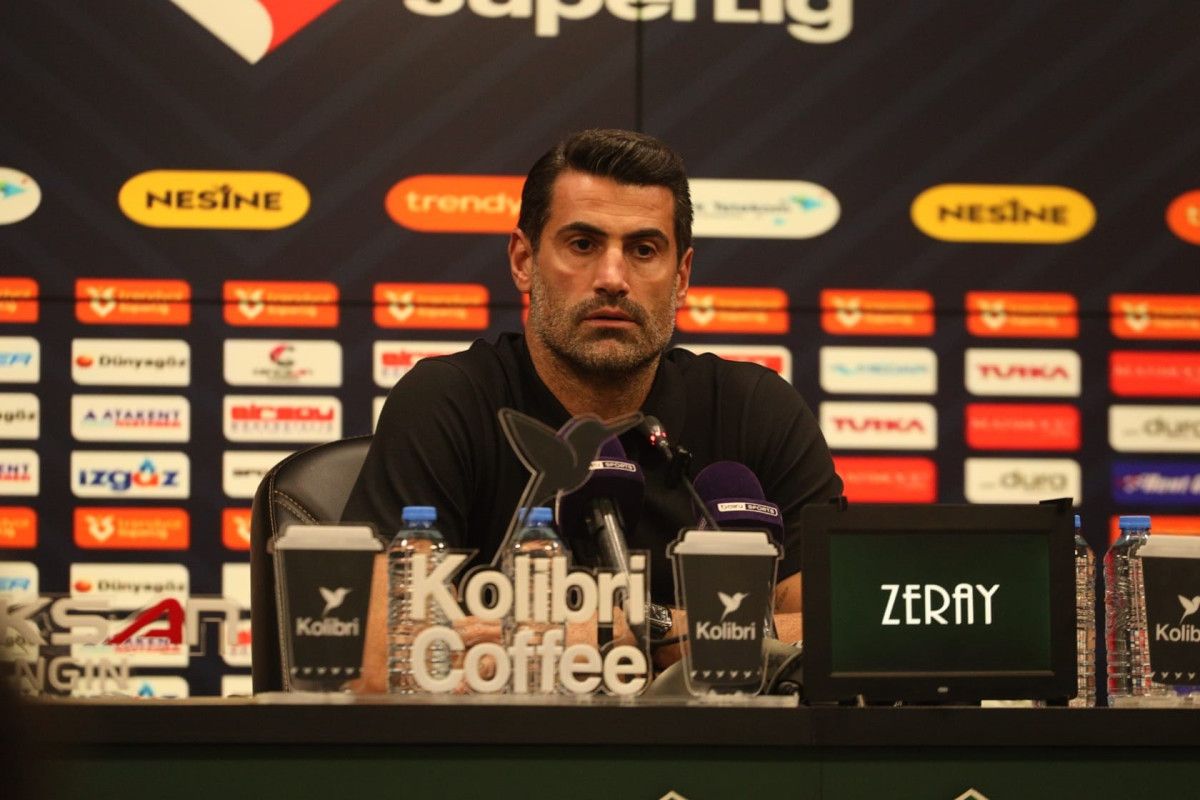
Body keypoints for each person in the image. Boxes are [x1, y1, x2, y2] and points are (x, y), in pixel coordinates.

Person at [342, 128, 841, 690]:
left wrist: (621, 633)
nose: (612, 279)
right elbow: (379, 662)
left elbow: (846, 632)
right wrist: (720, 640)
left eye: (644, 250)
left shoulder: (755, 410)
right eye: (582, 244)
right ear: (523, 260)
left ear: (681, 277)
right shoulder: (447, 400)